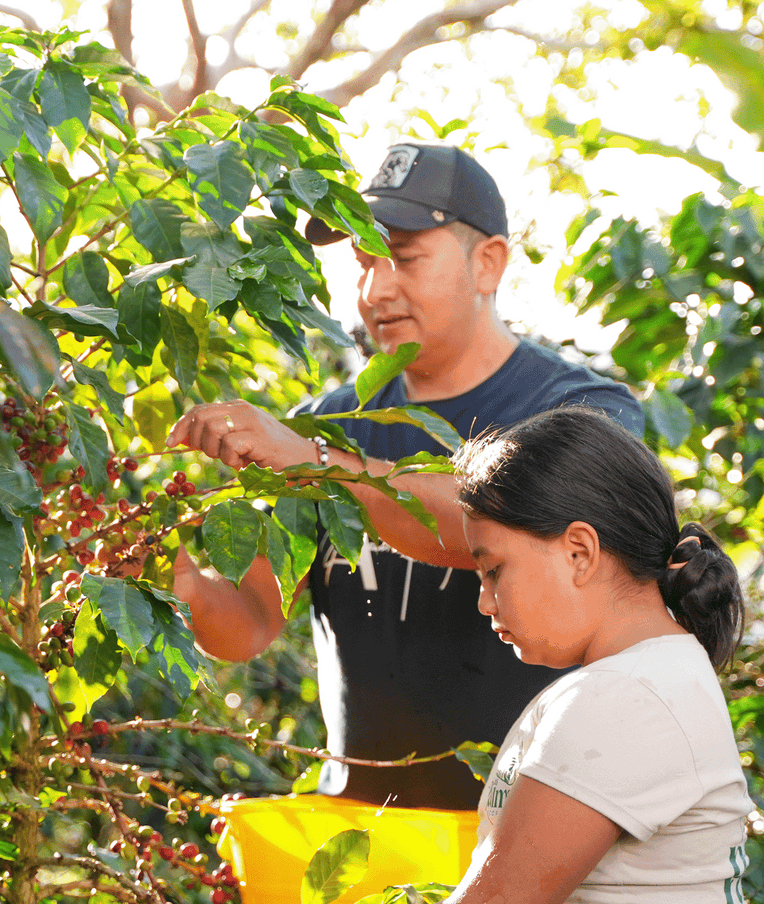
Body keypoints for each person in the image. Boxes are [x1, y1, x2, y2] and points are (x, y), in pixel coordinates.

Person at [211, 405, 764, 904]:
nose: (483, 602)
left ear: (580, 552)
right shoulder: (630, 682)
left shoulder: (631, 696)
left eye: (493, 569)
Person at [168, 141, 645, 809]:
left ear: (488, 263)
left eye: (404, 259)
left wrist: (318, 463)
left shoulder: (583, 413)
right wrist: (180, 579)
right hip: (360, 835)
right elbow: (250, 621)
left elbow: (493, 522)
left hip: (532, 836)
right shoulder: (327, 427)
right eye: (364, 263)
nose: (375, 289)